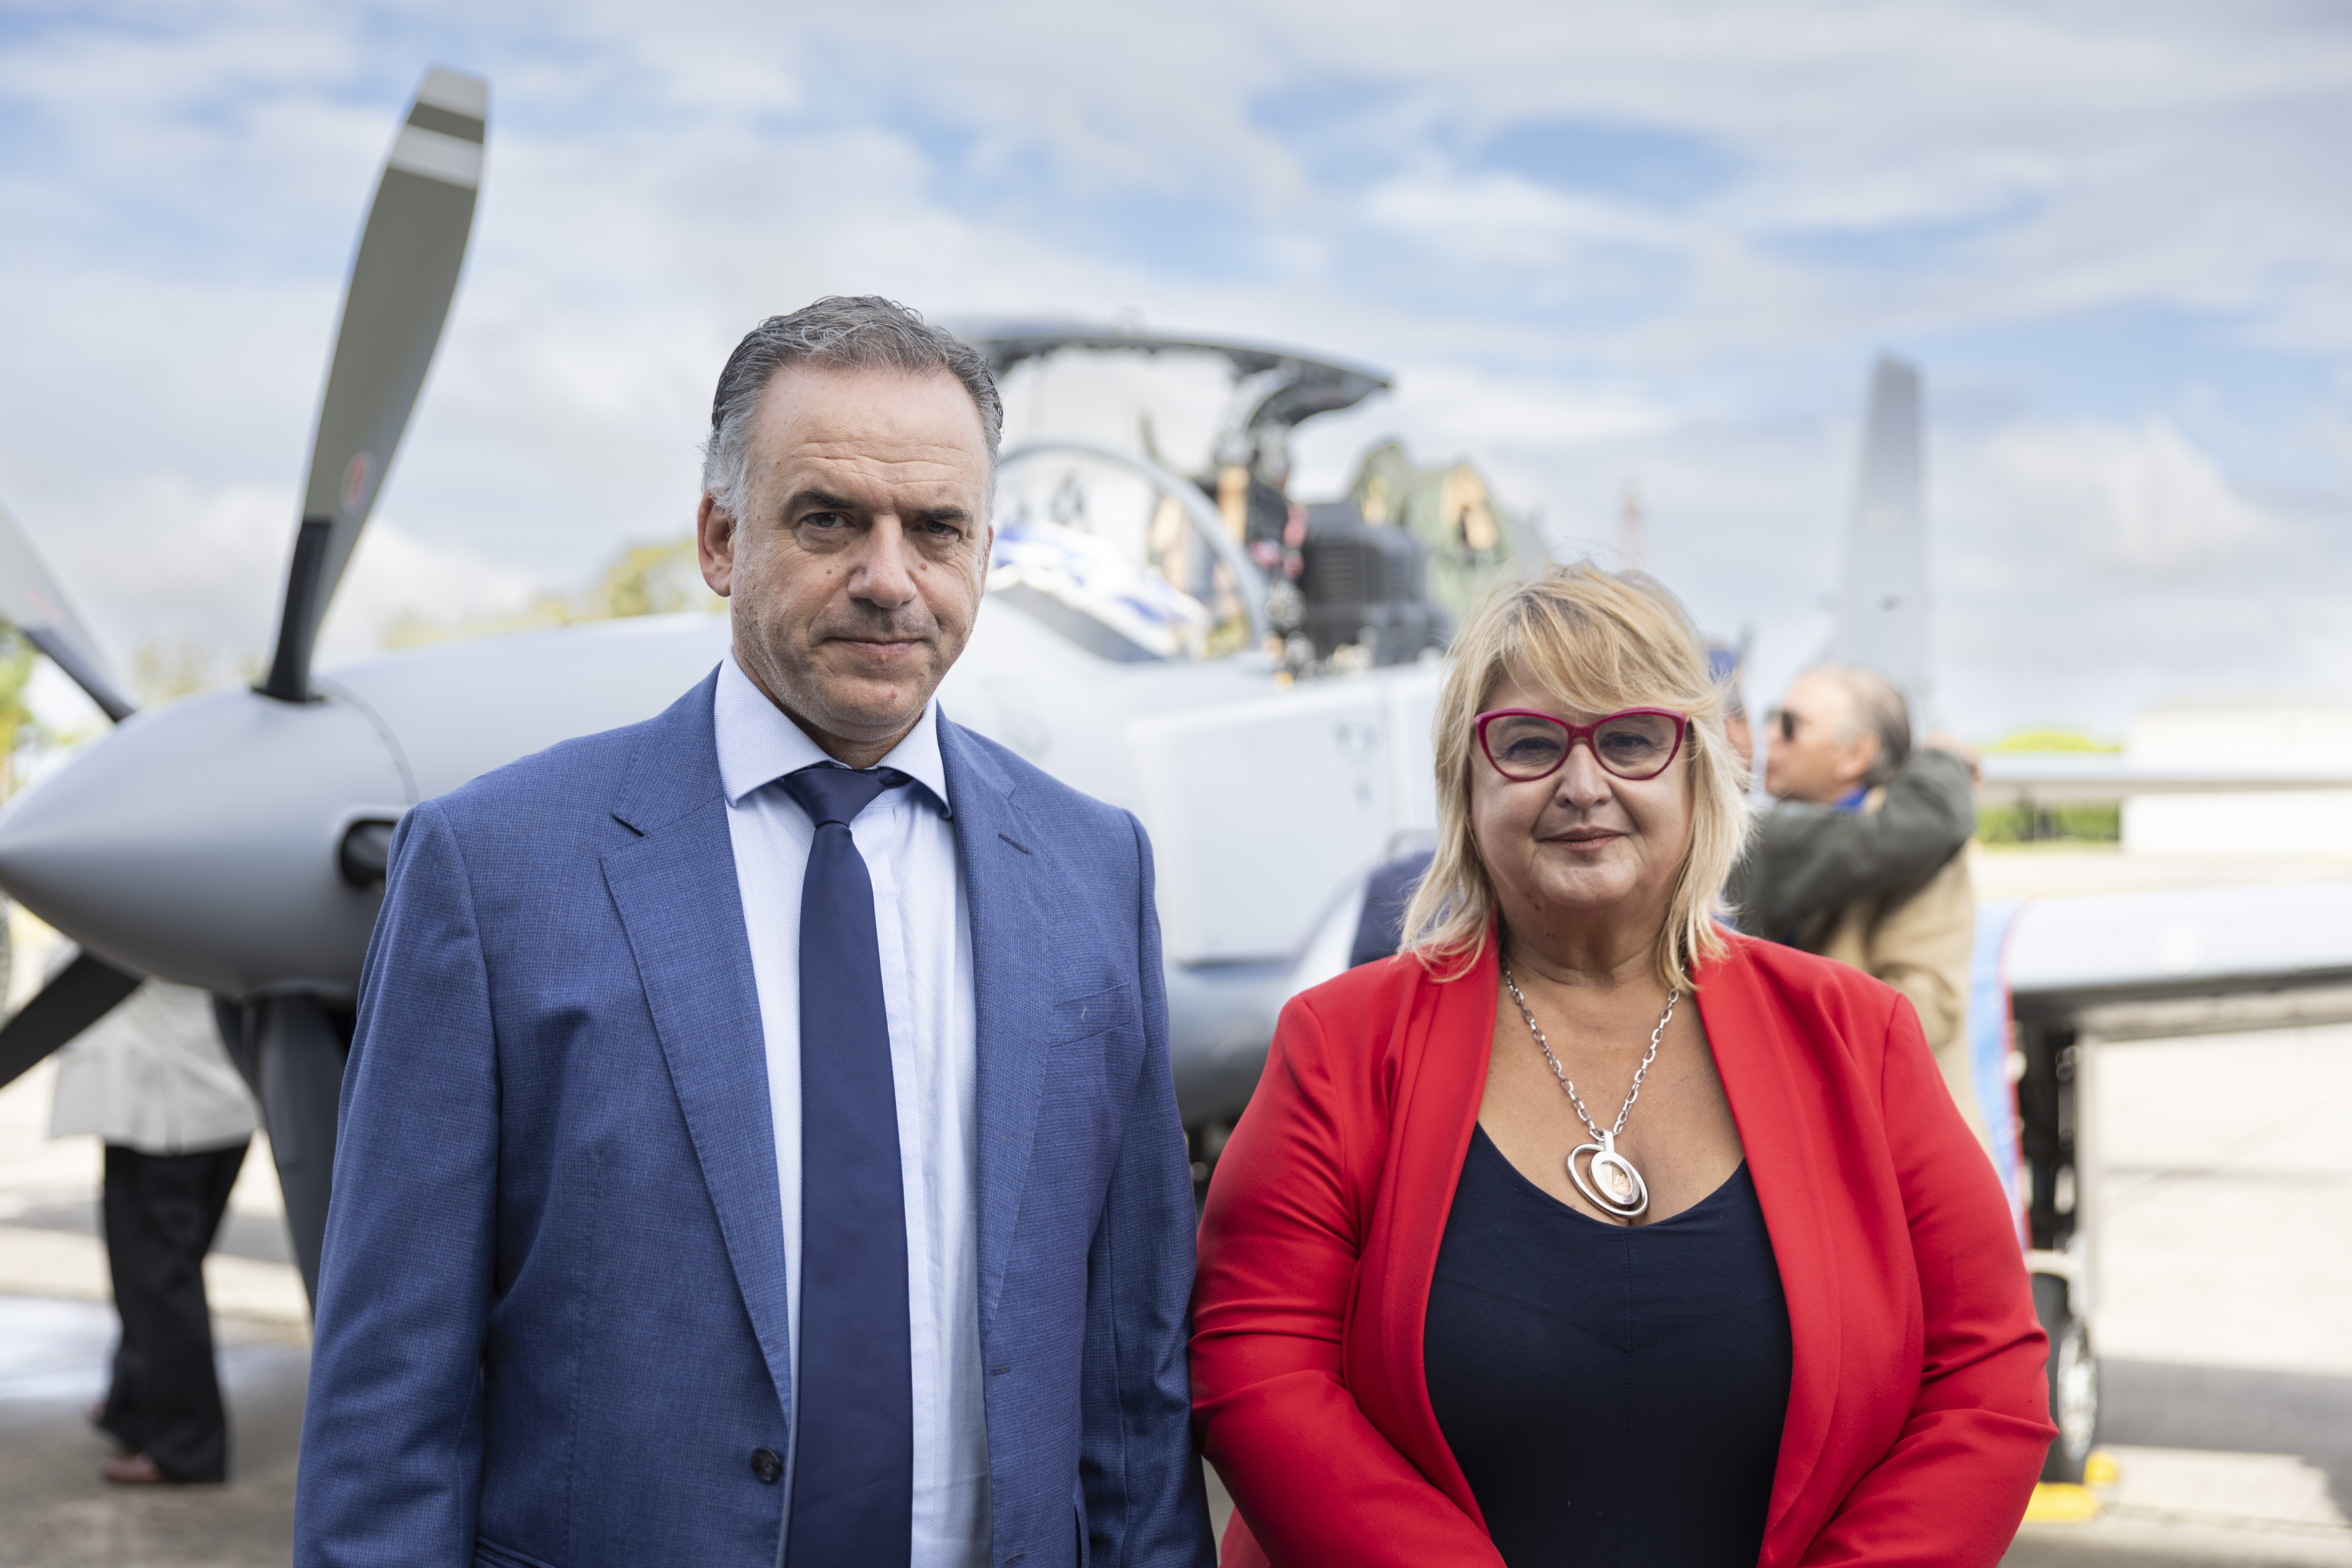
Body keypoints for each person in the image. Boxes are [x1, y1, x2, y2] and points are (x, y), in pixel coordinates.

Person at [295, 298, 1213, 1568]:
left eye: (935, 528)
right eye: (828, 518)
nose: (888, 577)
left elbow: (1132, 1377)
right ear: (721, 538)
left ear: (983, 552)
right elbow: (389, 1396)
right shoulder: (491, 869)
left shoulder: (1092, 866)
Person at [1190, 565, 2051, 1568]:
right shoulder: (1339, 1044)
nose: (1582, 783)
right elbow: (1258, 1368)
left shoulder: (1862, 1037)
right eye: (1528, 743)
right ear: (1465, 784)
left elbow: (1985, 1380)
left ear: (1698, 774)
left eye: (1631, 739)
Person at [1738, 664, 1985, 1151]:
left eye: (1789, 724)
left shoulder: (1919, 850)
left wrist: (1771, 1032)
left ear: (1855, 753)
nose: (1769, 735)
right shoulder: (1796, 833)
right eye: (1770, 718)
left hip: (1892, 1146)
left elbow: (1929, 1005)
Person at [47, 970, 257, 1485]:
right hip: (214, 1095)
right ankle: (132, 1406)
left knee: (157, 1280)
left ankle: (187, 1446)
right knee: (160, 1272)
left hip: (166, 1105)